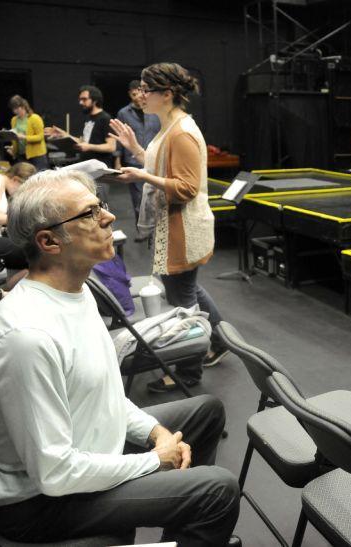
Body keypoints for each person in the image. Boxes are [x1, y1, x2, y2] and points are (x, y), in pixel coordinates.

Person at [0, 169, 240, 546]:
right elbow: (55, 474)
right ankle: (191, 505)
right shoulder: (27, 338)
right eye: (89, 214)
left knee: (206, 411)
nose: (109, 216)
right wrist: (155, 459)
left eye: (99, 205)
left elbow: (106, 397)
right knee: (217, 490)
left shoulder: (76, 291)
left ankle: (181, 524)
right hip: (39, 504)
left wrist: (156, 434)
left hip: (85, 453)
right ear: (49, 241)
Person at [110, 63, 229, 392]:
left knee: (183, 300)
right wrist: (136, 149)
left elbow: (187, 188)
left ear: (168, 94)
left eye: (147, 89)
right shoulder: (169, 126)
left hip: (184, 228)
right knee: (188, 290)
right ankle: (220, 340)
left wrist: (141, 176)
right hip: (176, 226)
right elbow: (161, 162)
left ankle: (189, 371)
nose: (141, 95)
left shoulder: (182, 132)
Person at [45, 85, 116, 201]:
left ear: (95, 100)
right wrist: (64, 135)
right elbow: (84, 142)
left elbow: (111, 147)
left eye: (84, 99)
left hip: (99, 170)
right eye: (80, 99)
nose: (80, 102)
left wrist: (88, 146)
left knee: (100, 205)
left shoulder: (105, 118)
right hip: (87, 169)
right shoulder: (89, 118)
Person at [115, 80, 160, 225]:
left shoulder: (153, 111)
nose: (137, 97)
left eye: (140, 93)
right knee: (138, 197)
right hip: (132, 159)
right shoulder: (123, 113)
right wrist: (117, 160)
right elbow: (119, 138)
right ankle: (141, 227)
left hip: (153, 158)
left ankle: (156, 225)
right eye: (134, 94)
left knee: (155, 194)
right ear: (130, 94)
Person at [7, 95, 49, 171]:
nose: (15, 111)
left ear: (23, 106)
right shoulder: (14, 120)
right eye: (13, 109)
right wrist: (13, 149)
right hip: (22, 155)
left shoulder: (34, 118)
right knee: (24, 179)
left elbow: (40, 137)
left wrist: (24, 137)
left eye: (17, 108)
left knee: (39, 178)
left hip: (37, 155)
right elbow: (16, 138)